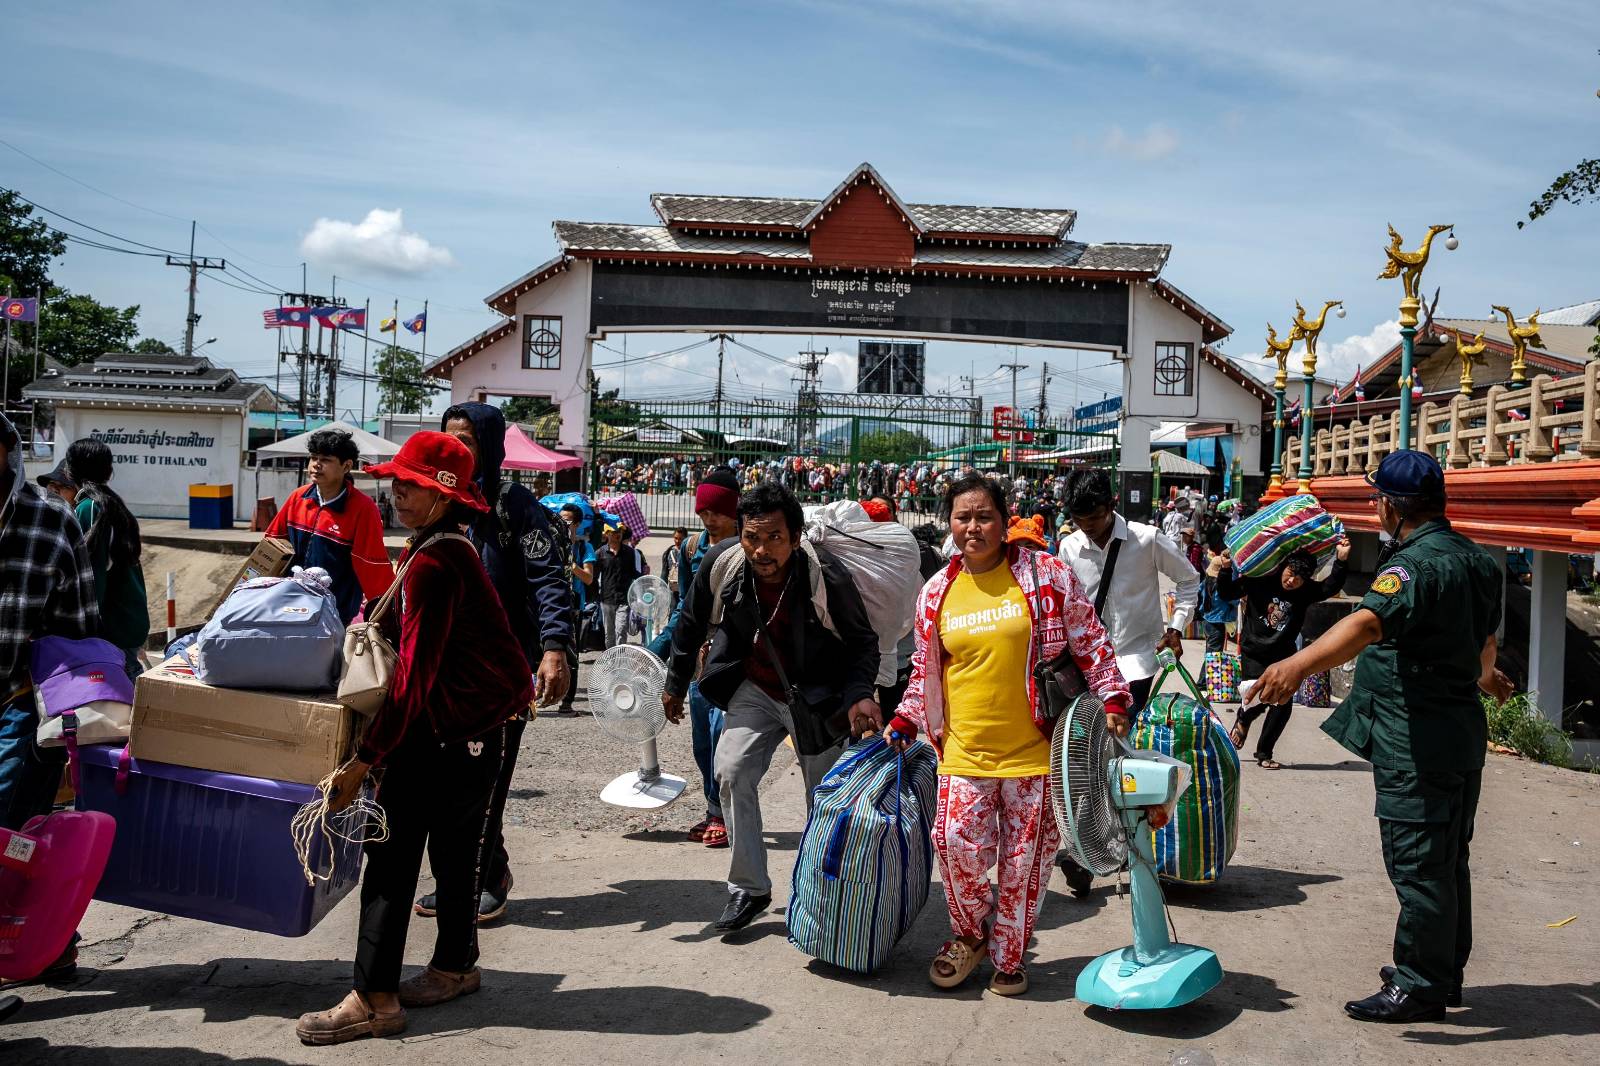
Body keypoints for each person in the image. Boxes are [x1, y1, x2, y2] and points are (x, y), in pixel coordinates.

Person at [1250, 451, 1509, 1024]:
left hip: (1416, 739)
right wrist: (1487, 679)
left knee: (1419, 865)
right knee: (1447, 862)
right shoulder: (1479, 561)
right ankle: (1442, 974)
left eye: (1378, 501)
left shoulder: (1412, 568)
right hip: (1459, 736)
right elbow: (1484, 643)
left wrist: (1296, 668)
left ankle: (1420, 985)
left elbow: (1367, 624)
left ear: (1391, 506)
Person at [295, 432, 534, 1046]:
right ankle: (456, 966)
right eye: (397, 482)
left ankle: (376, 999)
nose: (398, 492)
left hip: (461, 727)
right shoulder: (439, 547)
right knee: (455, 853)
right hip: (474, 723)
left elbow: (413, 681)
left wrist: (364, 760)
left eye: (413, 486)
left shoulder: (434, 563)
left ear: (443, 498)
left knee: (394, 860)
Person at [886, 473, 1130, 996]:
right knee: (954, 845)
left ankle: (1010, 955)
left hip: (1038, 752)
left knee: (1025, 862)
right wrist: (907, 718)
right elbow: (925, 668)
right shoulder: (936, 591)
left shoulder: (1047, 576)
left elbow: (1090, 639)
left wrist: (1113, 696)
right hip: (963, 749)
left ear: (1004, 519)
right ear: (949, 522)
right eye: (962, 517)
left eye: (984, 516)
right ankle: (970, 935)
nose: (972, 527)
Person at [663, 481, 882, 932]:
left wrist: (860, 693)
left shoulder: (828, 577)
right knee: (731, 769)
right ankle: (749, 887)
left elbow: (863, 644)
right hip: (755, 687)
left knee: (823, 798)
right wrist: (674, 683)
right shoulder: (721, 563)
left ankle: (823, 894)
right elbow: (689, 622)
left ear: (796, 537)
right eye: (751, 537)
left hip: (820, 697)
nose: (761, 550)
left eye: (774, 539)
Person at [412, 403, 573, 923]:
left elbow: (549, 578)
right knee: (442, 780)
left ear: (490, 446)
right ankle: (455, 879)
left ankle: (490, 876)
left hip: (500, 672)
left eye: (468, 440)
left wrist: (553, 649)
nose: (457, 449)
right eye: (449, 437)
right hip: (442, 664)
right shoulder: (440, 500)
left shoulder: (515, 504)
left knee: (487, 779)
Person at [1055, 467, 1199, 895]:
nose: (1089, 529)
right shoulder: (1068, 547)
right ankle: (1089, 846)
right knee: (1082, 760)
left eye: (1095, 518)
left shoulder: (1148, 539)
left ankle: (1114, 849)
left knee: (1115, 756)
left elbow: (1189, 580)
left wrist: (1176, 626)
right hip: (1086, 669)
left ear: (1111, 506)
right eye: (1081, 521)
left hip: (1136, 664)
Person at [0, 414, 98, 988]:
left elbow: (80, 628)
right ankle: (49, 943)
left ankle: (51, 941)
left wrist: (62, 720)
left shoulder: (53, 520)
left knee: (17, 830)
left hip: (20, 698)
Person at [649, 468, 741, 848]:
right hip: (699, 663)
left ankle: (723, 813)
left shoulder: (748, 547)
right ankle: (713, 808)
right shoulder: (690, 550)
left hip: (736, 659)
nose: (709, 520)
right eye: (703, 513)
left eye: (716, 513)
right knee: (702, 741)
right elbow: (685, 612)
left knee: (725, 739)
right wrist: (656, 650)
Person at [1220, 539, 1350, 769]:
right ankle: (1244, 718)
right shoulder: (1260, 579)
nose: (1291, 581)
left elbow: (1329, 587)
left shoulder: (1306, 592)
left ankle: (1264, 753)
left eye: (1298, 579)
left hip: (1284, 655)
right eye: (1289, 574)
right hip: (1254, 651)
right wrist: (1226, 567)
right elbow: (1227, 592)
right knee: (1258, 695)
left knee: (1282, 704)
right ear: (1283, 567)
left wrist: (1340, 560)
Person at [265, 429, 394, 625]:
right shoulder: (297, 498)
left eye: (326, 459)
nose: (316, 464)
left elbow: (372, 567)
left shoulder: (363, 509)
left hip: (334, 615)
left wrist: (387, 618)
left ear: (346, 466)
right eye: (313, 457)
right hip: (288, 607)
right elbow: (271, 548)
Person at [64, 438, 150, 677]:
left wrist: (84, 633)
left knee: (112, 704)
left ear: (70, 471)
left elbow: (91, 575)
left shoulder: (90, 508)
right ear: (109, 471)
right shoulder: (113, 504)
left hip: (111, 631)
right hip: (127, 623)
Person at [557, 503, 596, 715]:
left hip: (574, 607)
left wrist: (572, 565)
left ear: (578, 524)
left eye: (568, 521)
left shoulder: (583, 548)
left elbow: (589, 578)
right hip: (551, 604)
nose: (563, 524)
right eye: (560, 519)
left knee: (571, 654)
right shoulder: (552, 544)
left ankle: (567, 701)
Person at [593, 522, 640, 649]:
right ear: (607, 534)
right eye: (614, 532)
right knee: (609, 633)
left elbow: (634, 573)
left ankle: (621, 658)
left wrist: (643, 575)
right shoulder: (600, 553)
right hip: (606, 598)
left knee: (621, 629)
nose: (617, 535)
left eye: (619, 532)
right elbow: (593, 576)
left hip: (623, 598)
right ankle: (611, 658)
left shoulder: (630, 552)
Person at [1200, 550, 1241, 654]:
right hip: (1217, 623)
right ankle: (1205, 671)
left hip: (1206, 619)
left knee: (1210, 654)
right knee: (1214, 656)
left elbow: (1199, 592)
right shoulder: (1221, 588)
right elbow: (1233, 601)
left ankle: (1204, 671)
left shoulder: (1206, 581)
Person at [662, 527, 687, 610]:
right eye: (676, 538)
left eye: (680, 539)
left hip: (685, 590)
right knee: (672, 611)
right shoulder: (669, 552)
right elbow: (665, 572)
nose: (677, 541)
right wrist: (662, 587)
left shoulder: (689, 552)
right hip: (673, 589)